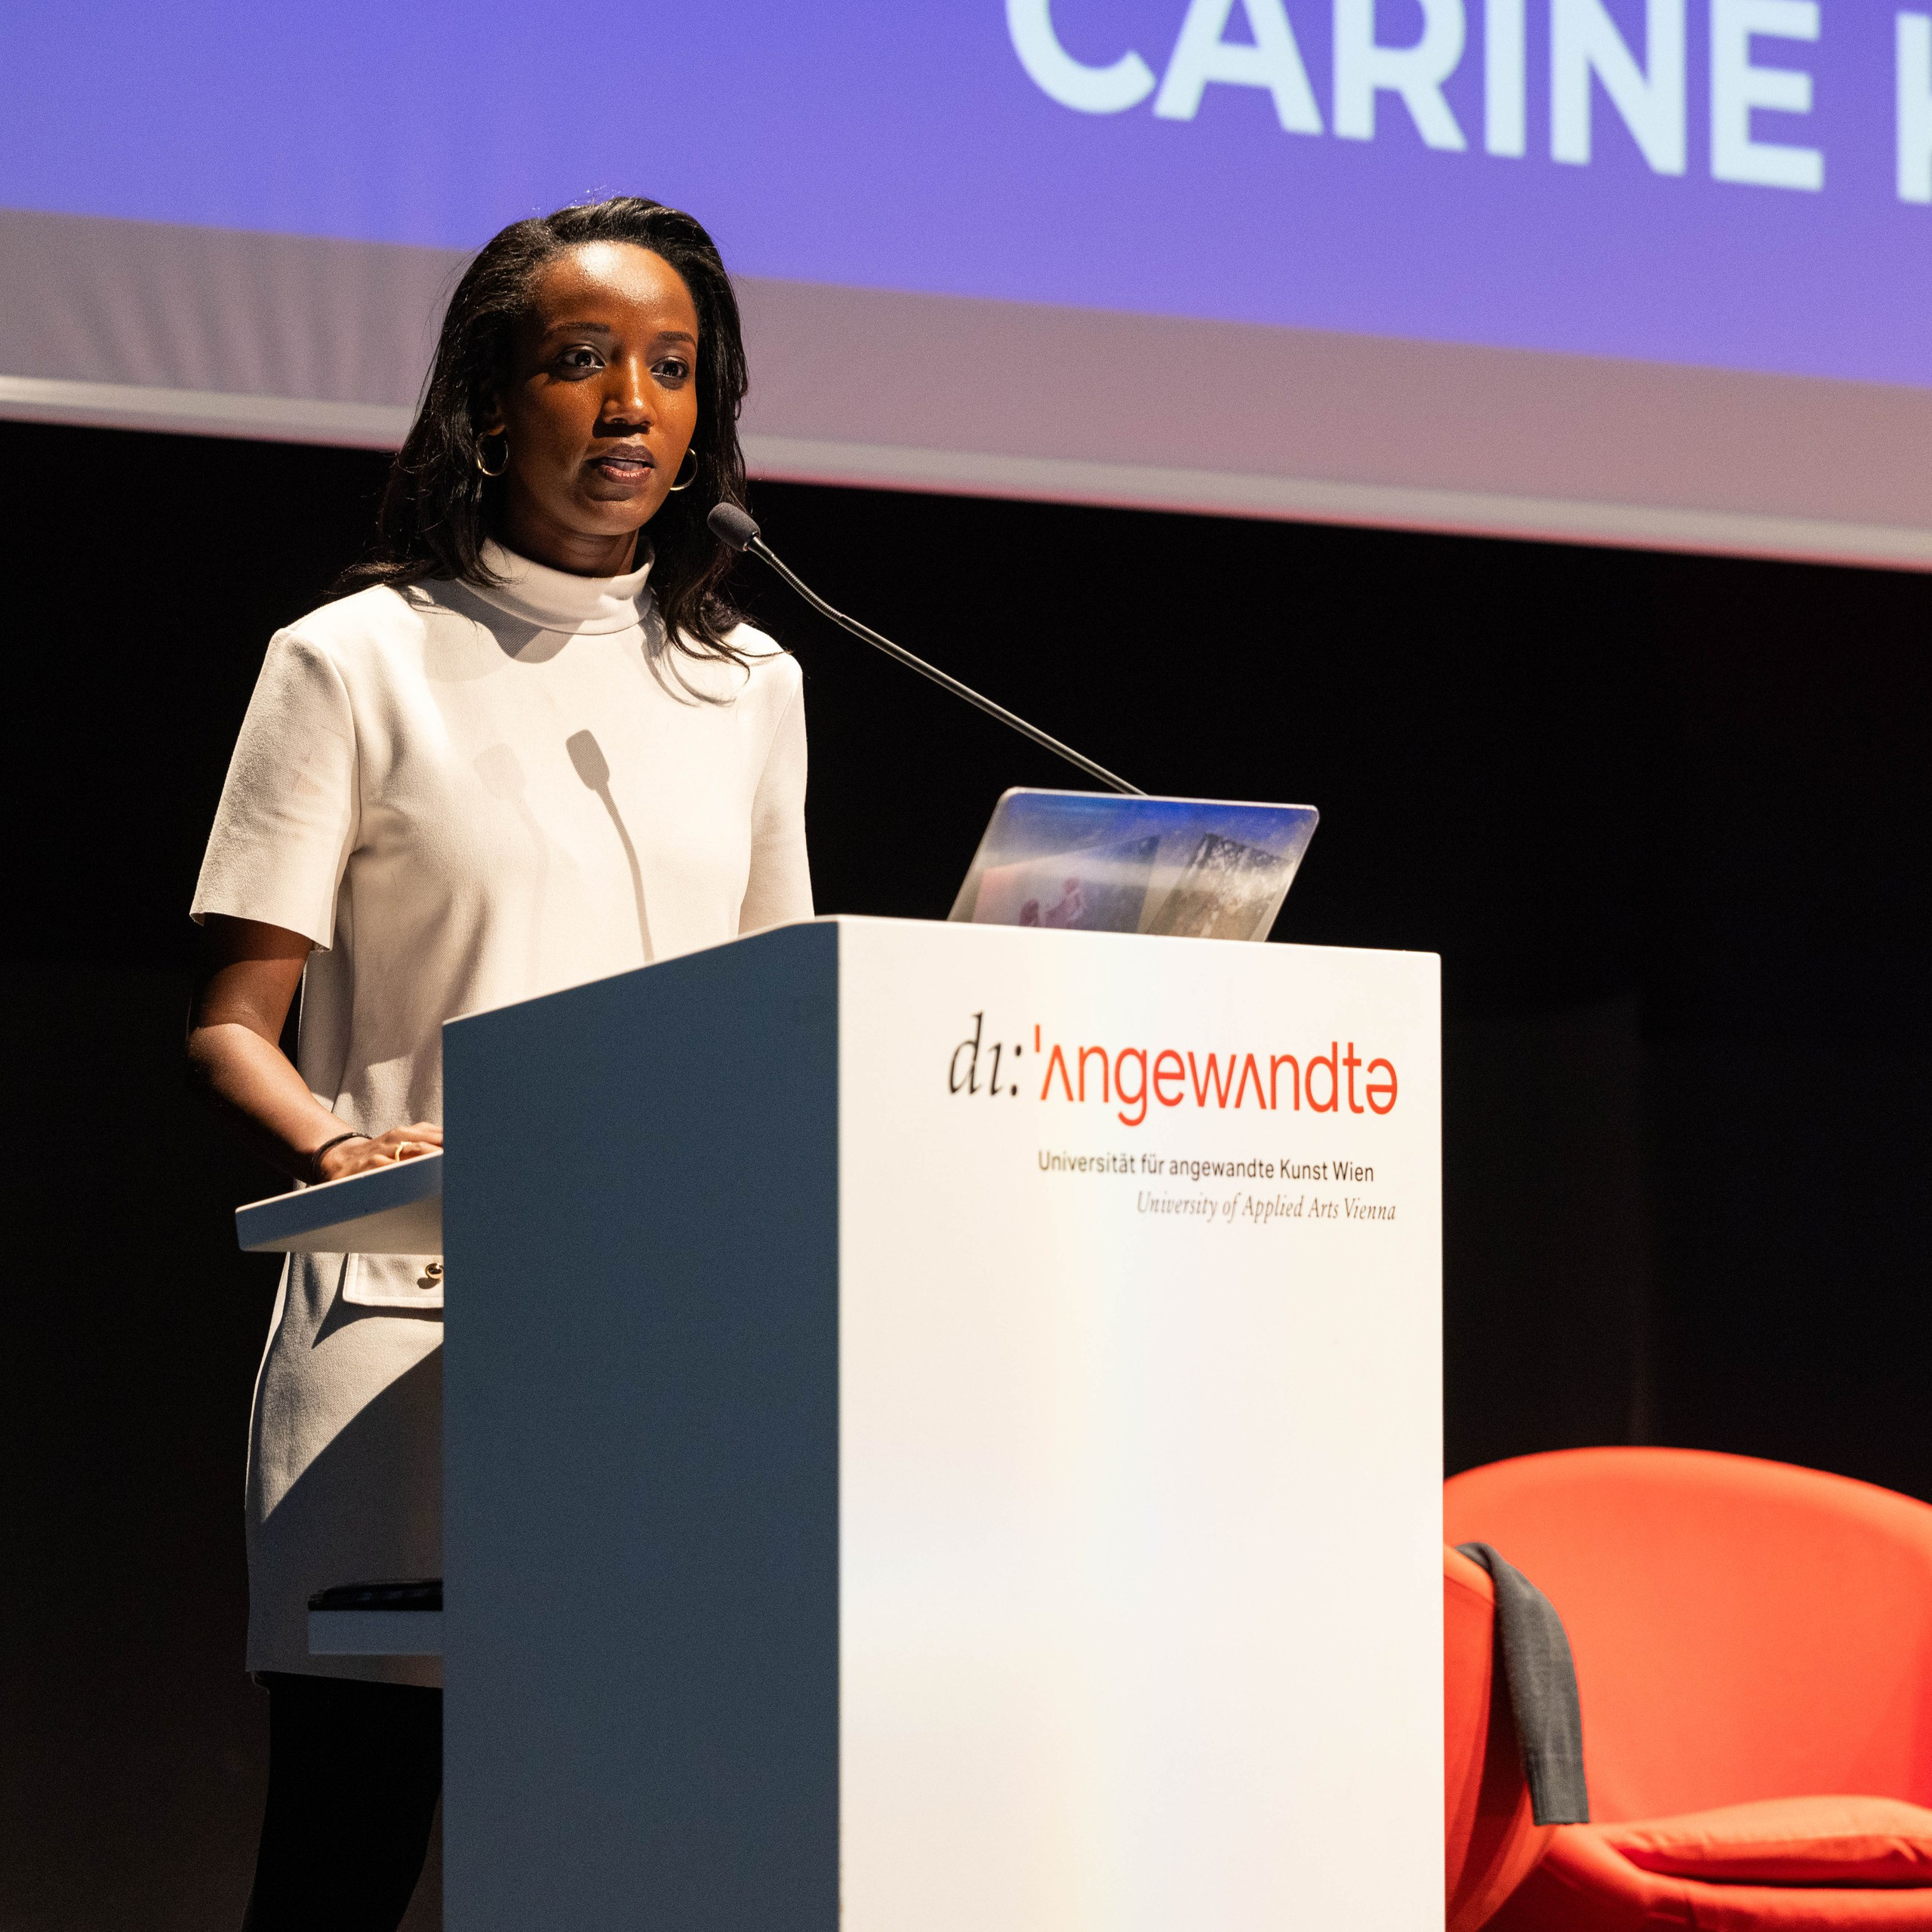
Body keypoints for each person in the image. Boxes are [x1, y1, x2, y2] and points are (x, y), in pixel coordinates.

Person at [185, 197, 811, 1931]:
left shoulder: (748, 685)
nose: (631, 401)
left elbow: (773, 1021)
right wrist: (330, 1145)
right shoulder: (352, 660)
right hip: (410, 1334)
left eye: (672, 368)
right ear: (486, 404)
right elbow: (231, 1023)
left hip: (659, 1361)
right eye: (581, 358)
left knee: (629, 1869)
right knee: (346, 1860)